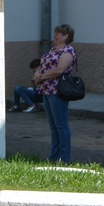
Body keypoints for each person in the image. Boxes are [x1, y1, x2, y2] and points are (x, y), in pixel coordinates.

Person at [33, 24, 77, 163]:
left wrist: (42, 76)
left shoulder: (68, 51)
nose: (55, 35)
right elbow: (42, 64)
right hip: (46, 89)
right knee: (53, 125)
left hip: (57, 90)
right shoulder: (53, 49)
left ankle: (64, 158)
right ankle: (54, 156)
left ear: (66, 36)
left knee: (61, 125)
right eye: (55, 32)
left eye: (59, 33)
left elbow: (60, 70)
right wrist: (37, 74)